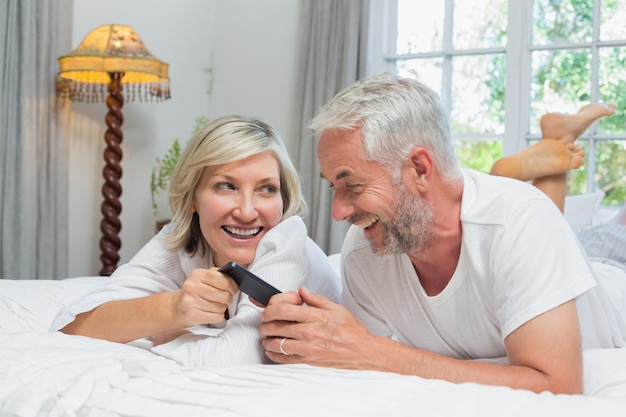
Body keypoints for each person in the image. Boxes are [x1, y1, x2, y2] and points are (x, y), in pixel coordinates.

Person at [258, 73, 626, 395]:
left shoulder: (519, 220)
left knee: (606, 233)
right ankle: (551, 156)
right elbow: (362, 365)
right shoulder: (363, 251)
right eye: (332, 188)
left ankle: (546, 160)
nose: (338, 211)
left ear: (419, 168)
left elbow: (557, 386)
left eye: (351, 185)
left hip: (614, 272)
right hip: (535, 245)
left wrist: (371, 350)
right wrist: (309, 342)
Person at [51, 115, 341, 367]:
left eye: (266, 189)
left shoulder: (285, 240)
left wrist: (168, 334)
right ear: (192, 198)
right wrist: (173, 308)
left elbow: (234, 362)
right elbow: (69, 326)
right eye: (226, 186)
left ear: (283, 200)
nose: (247, 211)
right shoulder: (184, 237)